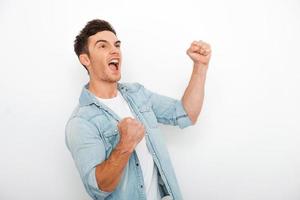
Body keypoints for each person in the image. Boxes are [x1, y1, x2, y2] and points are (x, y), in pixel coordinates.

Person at [65, 19, 211, 200]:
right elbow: (98, 188)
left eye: (117, 45)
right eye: (102, 46)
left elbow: (186, 113)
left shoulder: (137, 94)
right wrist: (125, 145)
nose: (114, 50)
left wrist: (200, 67)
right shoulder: (81, 122)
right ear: (85, 59)